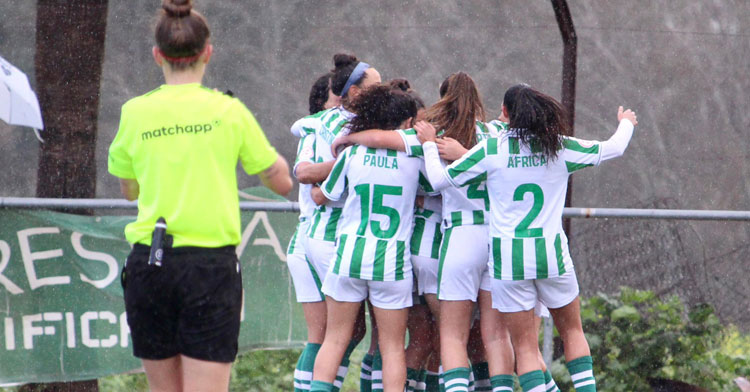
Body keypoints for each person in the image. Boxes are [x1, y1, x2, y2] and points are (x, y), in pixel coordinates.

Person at [107, 1, 292, 390]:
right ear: (208, 52)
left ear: (158, 55)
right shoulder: (228, 112)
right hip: (210, 268)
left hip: (150, 265)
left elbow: (128, 190)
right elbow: (281, 182)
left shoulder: (135, 112)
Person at [417, 84, 637, 392]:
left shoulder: (493, 149)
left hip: (509, 262)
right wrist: (626, 121)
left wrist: (429, 146)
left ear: (506, 114)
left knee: (525, 349)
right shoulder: (559, 146)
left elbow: (440, 181)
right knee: (573, 333)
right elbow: (614, 147)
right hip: (552, 255)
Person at [333, 72, 511, 391]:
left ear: (441, 99)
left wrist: (349, 140)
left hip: (428, 248)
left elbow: (397, 151)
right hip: (484, 244)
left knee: (431, 336)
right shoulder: (493, 135)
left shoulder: (429, 136)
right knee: (485, 336)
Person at [309, 84, 431, 392]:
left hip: (349, 254)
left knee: (335, 339)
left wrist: (314, 191)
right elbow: (435, 190)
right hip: (391, 262)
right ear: (405, 123)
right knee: (391, 347)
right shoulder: (416, 158)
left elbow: (326, 195)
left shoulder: (352, 153)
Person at [295, 53, 381, 391]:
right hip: (335, 235)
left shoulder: (321, 121)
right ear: (356, 93)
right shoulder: (350, 128)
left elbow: (308, 174)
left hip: (322, 235)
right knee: (349, 333)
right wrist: (356, 158)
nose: (384, 90)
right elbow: (304, 174)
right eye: (377, 85)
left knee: (349, 332)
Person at [288, 71, 341, 392]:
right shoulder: (318, 131)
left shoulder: (317, 132)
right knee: (331, 335)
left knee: (327, 336)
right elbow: (314, 187)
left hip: (308, 241)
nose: (344, 107)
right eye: (337, 99)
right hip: (315, 241)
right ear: (322, 104)